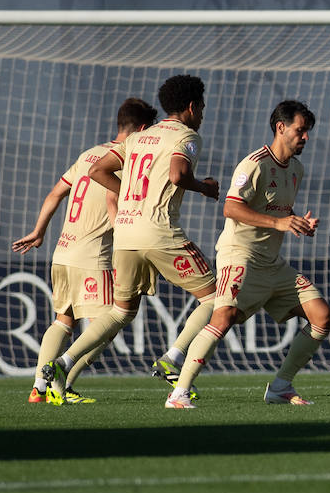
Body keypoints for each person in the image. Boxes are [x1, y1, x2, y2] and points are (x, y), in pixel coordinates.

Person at [42, 75, 220, 397]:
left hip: (124, 234)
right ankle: (173, 357)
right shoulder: (187, 136)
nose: (203, 115)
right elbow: (178, 174)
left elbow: (98, 171)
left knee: (121, 311)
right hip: (160, 232)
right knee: (216, 296)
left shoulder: (141, 137)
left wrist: (127, 197)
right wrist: (205, 188)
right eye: (203, 108)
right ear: (192, 107)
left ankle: (64, 363)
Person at [164, 100, 330, 408]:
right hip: (239, 255)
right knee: (224, 315)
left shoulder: (296, 169)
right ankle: (179, 393)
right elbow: (231, 207)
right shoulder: (254, 164)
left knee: (322, 316)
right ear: (281, 128)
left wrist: (297, 221)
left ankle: (281, 386)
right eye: (300, 130)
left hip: (272, 263)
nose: (305, 137)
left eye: (308, 131)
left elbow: (276, 210)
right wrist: (280, 222)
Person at [12, 97, 158, 404]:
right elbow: (111, 202)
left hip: (62, 253)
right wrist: (134, 244)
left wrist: (39, 232)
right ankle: (61, 384)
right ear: (142, 130)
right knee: (112, 322)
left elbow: (55, 193)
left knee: (63, 321)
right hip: (92, 259)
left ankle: (39, 387)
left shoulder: (89, 154)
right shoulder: (125, 160)